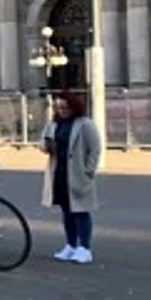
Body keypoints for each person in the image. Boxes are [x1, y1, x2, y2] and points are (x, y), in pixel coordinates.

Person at [42, 91, 101, 264]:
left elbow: (95, 149)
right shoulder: (53, 124)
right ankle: (70, 244)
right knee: (66, 210)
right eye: (59, 108)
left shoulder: (85, 124)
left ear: (74, 107)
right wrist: (46, 146)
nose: (62, 111)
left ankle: (85, 247)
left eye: (65, 108)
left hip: (77, 172)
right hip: (59, 171)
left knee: (81, 210)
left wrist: (88, 171)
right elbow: (43, 142)